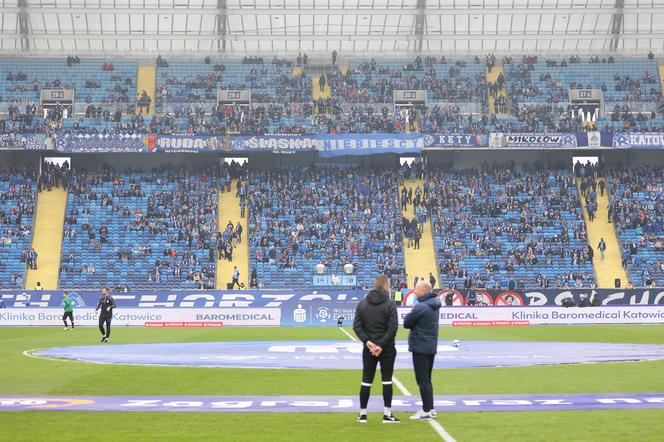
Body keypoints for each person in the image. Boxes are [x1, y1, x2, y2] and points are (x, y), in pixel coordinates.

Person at [353, 275, 400, 424]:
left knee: (366, 381)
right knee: (387, 381)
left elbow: (357, 326)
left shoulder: (362, 303)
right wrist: (380, 345)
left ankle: (362, 414)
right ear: (385, 286)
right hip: (386, 348)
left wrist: (368, 342)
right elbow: (392, 328)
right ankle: (387, 414)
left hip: (369, 349)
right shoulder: (390, 304)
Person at [403, 281, 441, 420]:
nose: (414, 292)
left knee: (422, 380)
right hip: (431, 346)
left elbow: (407, 323)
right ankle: (431, 408)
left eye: (416, 290)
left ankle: (426, 410)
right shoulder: (434, 305)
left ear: (424, 291)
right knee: (427, 380)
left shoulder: (421, 307)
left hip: (420, 347)